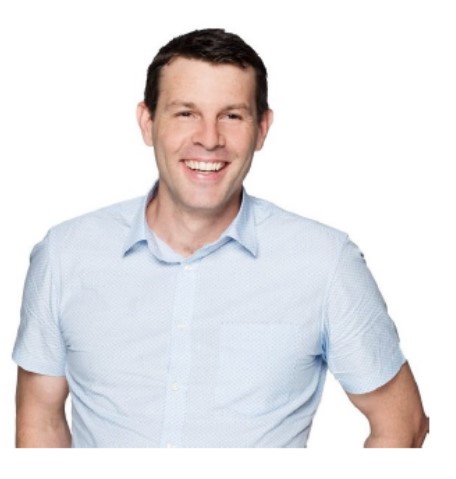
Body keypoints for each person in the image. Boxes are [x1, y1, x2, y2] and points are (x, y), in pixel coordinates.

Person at [13, 28, 429, 448]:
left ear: (262, 128)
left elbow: (403, 422)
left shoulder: (325, 263)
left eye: (232, 116)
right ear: (147, 122)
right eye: (185, 113)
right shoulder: (65, 256)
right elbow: (39, 421)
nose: (209, 139)